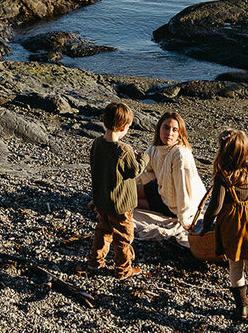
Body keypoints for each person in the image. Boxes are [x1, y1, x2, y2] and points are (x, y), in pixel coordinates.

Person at [195, 129, 248, 332]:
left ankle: (243, 308)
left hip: (233, 227)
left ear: (223, 151)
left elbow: (216, 206)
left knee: (235, 266)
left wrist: (206, 226)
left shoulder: (223, 176)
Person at [88, 102, 148, 279]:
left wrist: (96, 197)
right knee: (123, 237)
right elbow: (134, 171)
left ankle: (95, 261)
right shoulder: (124, 149)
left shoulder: (97, 143)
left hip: (103, 200)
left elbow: (95, 168)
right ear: (124, 126)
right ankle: (123, 270)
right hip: (121, 204)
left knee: (103, 231)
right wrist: (143, 158)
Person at [135, 112, 206, 228]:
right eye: (166, 128)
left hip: (176, 204)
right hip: (161, 189)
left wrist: (184, 218)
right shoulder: (154, 149)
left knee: (129, 203)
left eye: (175, 130)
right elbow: (145, 172)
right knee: (126, 193)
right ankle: (103, 200)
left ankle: (110, 202)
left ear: (180, 133)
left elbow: (183, 187)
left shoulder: (180, 155)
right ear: (159, 129)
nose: (169, 133)